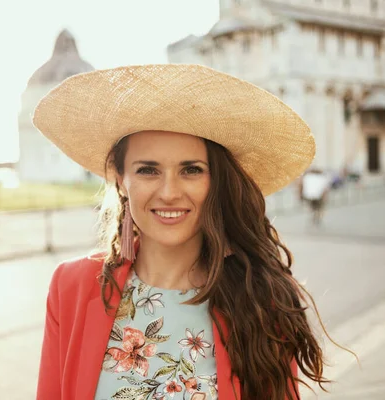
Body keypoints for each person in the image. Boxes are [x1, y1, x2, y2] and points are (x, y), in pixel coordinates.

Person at [34, 64, 339, 400]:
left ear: (216, 182)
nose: (169, 192)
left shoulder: (260, 301)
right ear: (121, 180)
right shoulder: (71, 287)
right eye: (148, 170)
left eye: (191, 170)